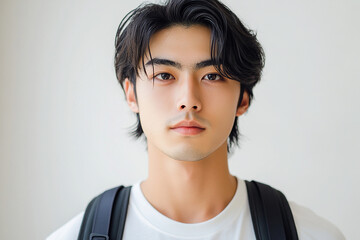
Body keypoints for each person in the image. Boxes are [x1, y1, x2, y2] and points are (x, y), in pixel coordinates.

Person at [47, 0, 345, 239]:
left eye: (212, 76)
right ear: (132, 95)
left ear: (242, 98)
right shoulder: (75, 235)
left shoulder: (311, 234)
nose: (188, 98)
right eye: (164, 75)